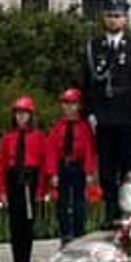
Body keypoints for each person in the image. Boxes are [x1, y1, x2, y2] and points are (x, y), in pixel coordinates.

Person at [82, 0, 131, 226]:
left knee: (128, 167)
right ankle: (111, 213)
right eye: (109, 15)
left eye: (117, 16)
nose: (113, 20)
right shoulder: (94, 46)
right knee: (107, 169)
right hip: (104, 116)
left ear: (125, 20)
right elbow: (87, 83)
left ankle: (129, 214)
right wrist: (90, 112)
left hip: (127, 114)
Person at [0, 97, 48, 262]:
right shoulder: (8, 138)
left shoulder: (39, 137)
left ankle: (26, 261)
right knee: (15, 224)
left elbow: (44, 165)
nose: (21, 117)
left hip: (30, 181)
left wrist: (41, 190)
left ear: (31, 116)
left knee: (28, 223)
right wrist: (2, 191)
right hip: (14, 181)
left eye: (24, 114)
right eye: (18, 113)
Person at [45, 89, 98, 245]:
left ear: (79, 106)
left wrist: (89, 172)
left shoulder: (84, 127)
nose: (69, 108)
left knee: (78, 202)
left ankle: (79, 233)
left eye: (72, 104)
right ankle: (65, 234)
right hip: (63, 167)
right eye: (66, 104)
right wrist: (53, 173)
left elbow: (89, 150)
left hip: (78, 167)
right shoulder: (58, 128)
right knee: (62, 203)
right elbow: (51, 151)